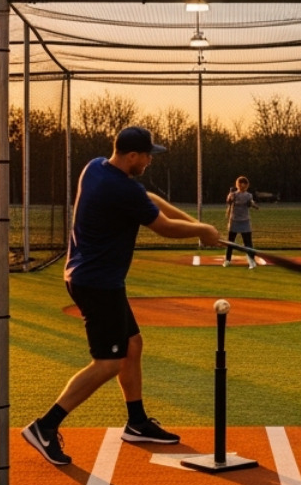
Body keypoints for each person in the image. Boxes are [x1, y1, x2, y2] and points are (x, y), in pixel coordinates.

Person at [21, 125, 222, 466]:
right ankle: (45, 426)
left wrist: (198, 226)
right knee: (108, 362)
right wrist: (201, 230)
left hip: (95, 279)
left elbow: (150, 199)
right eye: (146, 156)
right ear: (132, 156)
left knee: (132, 345)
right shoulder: (121, 189)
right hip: (96, 283)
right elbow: (163, 227)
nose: (149, 161)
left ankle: (137, 422)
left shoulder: (96, 167)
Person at [223, 176, 259, 268]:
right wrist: (230, 196)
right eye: (240, 183)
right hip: (234, 221)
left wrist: (253, 204)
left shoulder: (248, 195)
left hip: (245, 221)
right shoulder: (234, 194)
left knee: (248, 243)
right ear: (237, 184)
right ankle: (227, 260)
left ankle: (251, 261)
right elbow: (228, 201)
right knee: (230, 242)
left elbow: (251, 203)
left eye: (244, 184)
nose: (242, 185)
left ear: (247, 185)